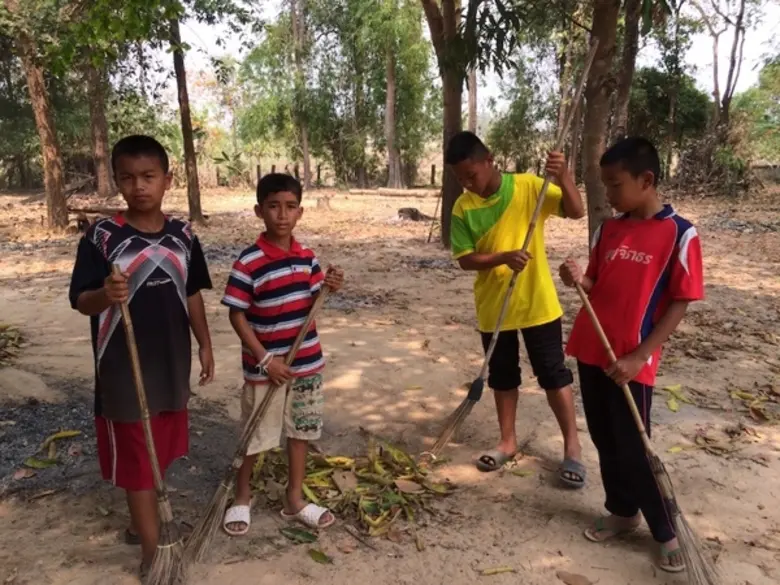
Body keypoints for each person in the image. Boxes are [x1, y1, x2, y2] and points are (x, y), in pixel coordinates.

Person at [69, 135, 215, 576]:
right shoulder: (102, 238)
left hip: (171, 361)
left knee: (161, 446)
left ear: (167, 180)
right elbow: (80, 301)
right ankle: (153, 551)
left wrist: (205, 343)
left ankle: (141, 523)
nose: (139, 187)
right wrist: (105, 295)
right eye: (128, 178)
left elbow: (191, 293)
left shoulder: (183, 235)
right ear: (117, 181)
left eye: (149, 177)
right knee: (138, 455)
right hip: (123, 367)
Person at [560, 136, 704, 573]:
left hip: (630, 362)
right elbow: (595, 284)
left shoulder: (680, 233)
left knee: (636, 447)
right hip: (592, 347)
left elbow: (680, 301)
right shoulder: (609, 228)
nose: (609, 195)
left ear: (647, 180)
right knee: (604, 437)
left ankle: (665, 531)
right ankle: (622, 511)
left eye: (615, 185)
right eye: (605, 186)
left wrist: (641, 356)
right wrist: (576, 279)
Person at [446, 130, 587, 486]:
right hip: (494, 309)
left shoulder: (528, 187)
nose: (467, 184)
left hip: (538, 304)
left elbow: (575, 210)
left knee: (553, 375)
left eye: (471, 175)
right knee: (503, 377)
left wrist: (564, 176)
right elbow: (465, 259)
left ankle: (573, 447)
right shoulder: (462, 207)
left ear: (488, 160)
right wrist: (502, 257)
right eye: (460, 179)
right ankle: (507, 441)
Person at [221, 173, 344, 535]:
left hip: (306, 365)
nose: (282, 215)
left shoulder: (307, 258)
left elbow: (313, 297)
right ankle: (242, 496)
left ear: (300, 212)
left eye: (290, 207)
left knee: (300, 432)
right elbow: (236, 313)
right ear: (259, 210)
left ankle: (294, 499)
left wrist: (329, 287)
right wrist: (264, 359)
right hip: (266, 369)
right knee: (255, 434)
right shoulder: (249, 262)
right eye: (273, 206)